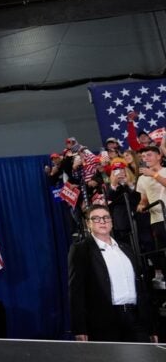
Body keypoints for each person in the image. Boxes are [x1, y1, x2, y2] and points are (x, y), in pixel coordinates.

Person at [68, 205, 158, 342]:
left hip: (135, 319)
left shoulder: (126, 248)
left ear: (111, 221)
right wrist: (80, 328)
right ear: (88, 223)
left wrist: (151, 327)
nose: (102, 221)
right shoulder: (81, 249)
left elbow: (142, 289)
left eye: (106, 217)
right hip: (104, 322)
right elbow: (76, 291)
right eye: (96, 218)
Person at [136, 146, 166, 289]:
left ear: (159, 156)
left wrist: (153, 174)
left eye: (149, 155)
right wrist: (141, 204)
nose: (145, 158)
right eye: (143, 157)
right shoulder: (142, 178)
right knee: (162, 255)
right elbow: (144, 198)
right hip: (156, 221)